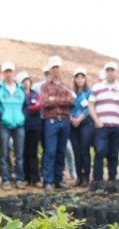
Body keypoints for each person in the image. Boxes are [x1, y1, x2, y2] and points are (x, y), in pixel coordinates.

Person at [39, 56, 75, 192]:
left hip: (65, 120)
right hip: (51, 121)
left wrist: (55, 99)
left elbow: (71, 101)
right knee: (50, 151)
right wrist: (61, 100)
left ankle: (59, 179)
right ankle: (48, 181)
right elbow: (44, 103)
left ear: (61, 69)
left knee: (61, 151)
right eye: (53, 68)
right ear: (50, 69)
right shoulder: (45, 86)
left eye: (57, 67)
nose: (56, 70)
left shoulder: (67, 86)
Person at [88, 61, 119, 183]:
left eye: (112, 70)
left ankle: (112, 178)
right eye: (108, 70)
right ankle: (97, 180)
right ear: (105, 72)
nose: (110, 73)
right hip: (102, 126)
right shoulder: (97, 87)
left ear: (116, 72)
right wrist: (96, 120)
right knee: (99, 151)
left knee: (114, 154)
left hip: (116, 126)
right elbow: (91, 105)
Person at [0, 61, 27, 190]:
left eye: (10, 71)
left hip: (19, 124)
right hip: (4, 125)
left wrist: (23, 117)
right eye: (6, 71)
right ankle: (5, 180)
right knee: (4, 152)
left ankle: (19, 179)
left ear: (13, 72)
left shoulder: (20, 88)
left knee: (19, 154)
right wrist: (2, 117)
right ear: (3, 73)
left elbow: (25, 106)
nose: (8, 74)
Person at [69, 67, 93, 187]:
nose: (79, 80)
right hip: (73, 125)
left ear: (85, 78)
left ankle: (86, 177)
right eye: (77, 77)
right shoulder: (71, 93)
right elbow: (68, 106)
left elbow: (89, 107)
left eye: (82, 77)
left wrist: (80, 119)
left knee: (84, 150)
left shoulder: (89, 92)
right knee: (76, 151)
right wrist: (71, 118)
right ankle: (79, 176)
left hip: (85, 124)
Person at [18, 71, 42, 186]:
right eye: (23, 81)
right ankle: (26, 177)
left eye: (27, 80)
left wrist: (28, 109)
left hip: (34, 127)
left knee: (33, 153)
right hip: (22, 126)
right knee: (23, 153)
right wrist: (30, 108)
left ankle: (35, 178)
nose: (26, 83)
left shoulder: (35, 94)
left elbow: (38, 106)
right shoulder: (19, 94)